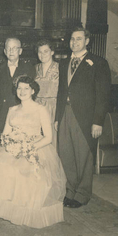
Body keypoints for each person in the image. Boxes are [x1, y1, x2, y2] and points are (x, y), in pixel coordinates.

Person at [0, 75, 66, 229]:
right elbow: (5, 134)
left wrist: (29, 147)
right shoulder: (12, 109)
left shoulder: (41, 109)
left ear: (33, 90)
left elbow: (48, 138)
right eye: (19, 88)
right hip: (14, 147)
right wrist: (10, 144)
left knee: (25, 174)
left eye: (26, 88)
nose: (22, 91)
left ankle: (25, 213)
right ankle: (6, 210)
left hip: (35, 148)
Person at [55, 27, 111, 208]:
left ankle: (82, 193)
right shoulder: (64, 63)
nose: (74, 42)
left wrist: (98, 121)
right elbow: (61, 92)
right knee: (66, 154)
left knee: (84, 156)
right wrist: (57, 117)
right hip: (65, 114)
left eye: (79, 39)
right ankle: (70, 190)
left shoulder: (99, 63)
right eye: (72, 39)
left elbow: (103, 95)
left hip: (86, 117)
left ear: (87, 41)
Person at [0, 37, 35, 150]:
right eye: (8, 48)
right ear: (4, 51)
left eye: (14, 48)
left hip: (20, 117)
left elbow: (32, 95)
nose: (11, 51)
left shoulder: (28, 69)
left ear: (20, 51)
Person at [35, 39, 59, 147]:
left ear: (52, 52)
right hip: (37, 107)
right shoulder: (35, 68)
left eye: (46, 51)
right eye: (40, 52)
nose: (42, 54)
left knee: (51, 139)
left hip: (53, 107)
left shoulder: (60, 68)